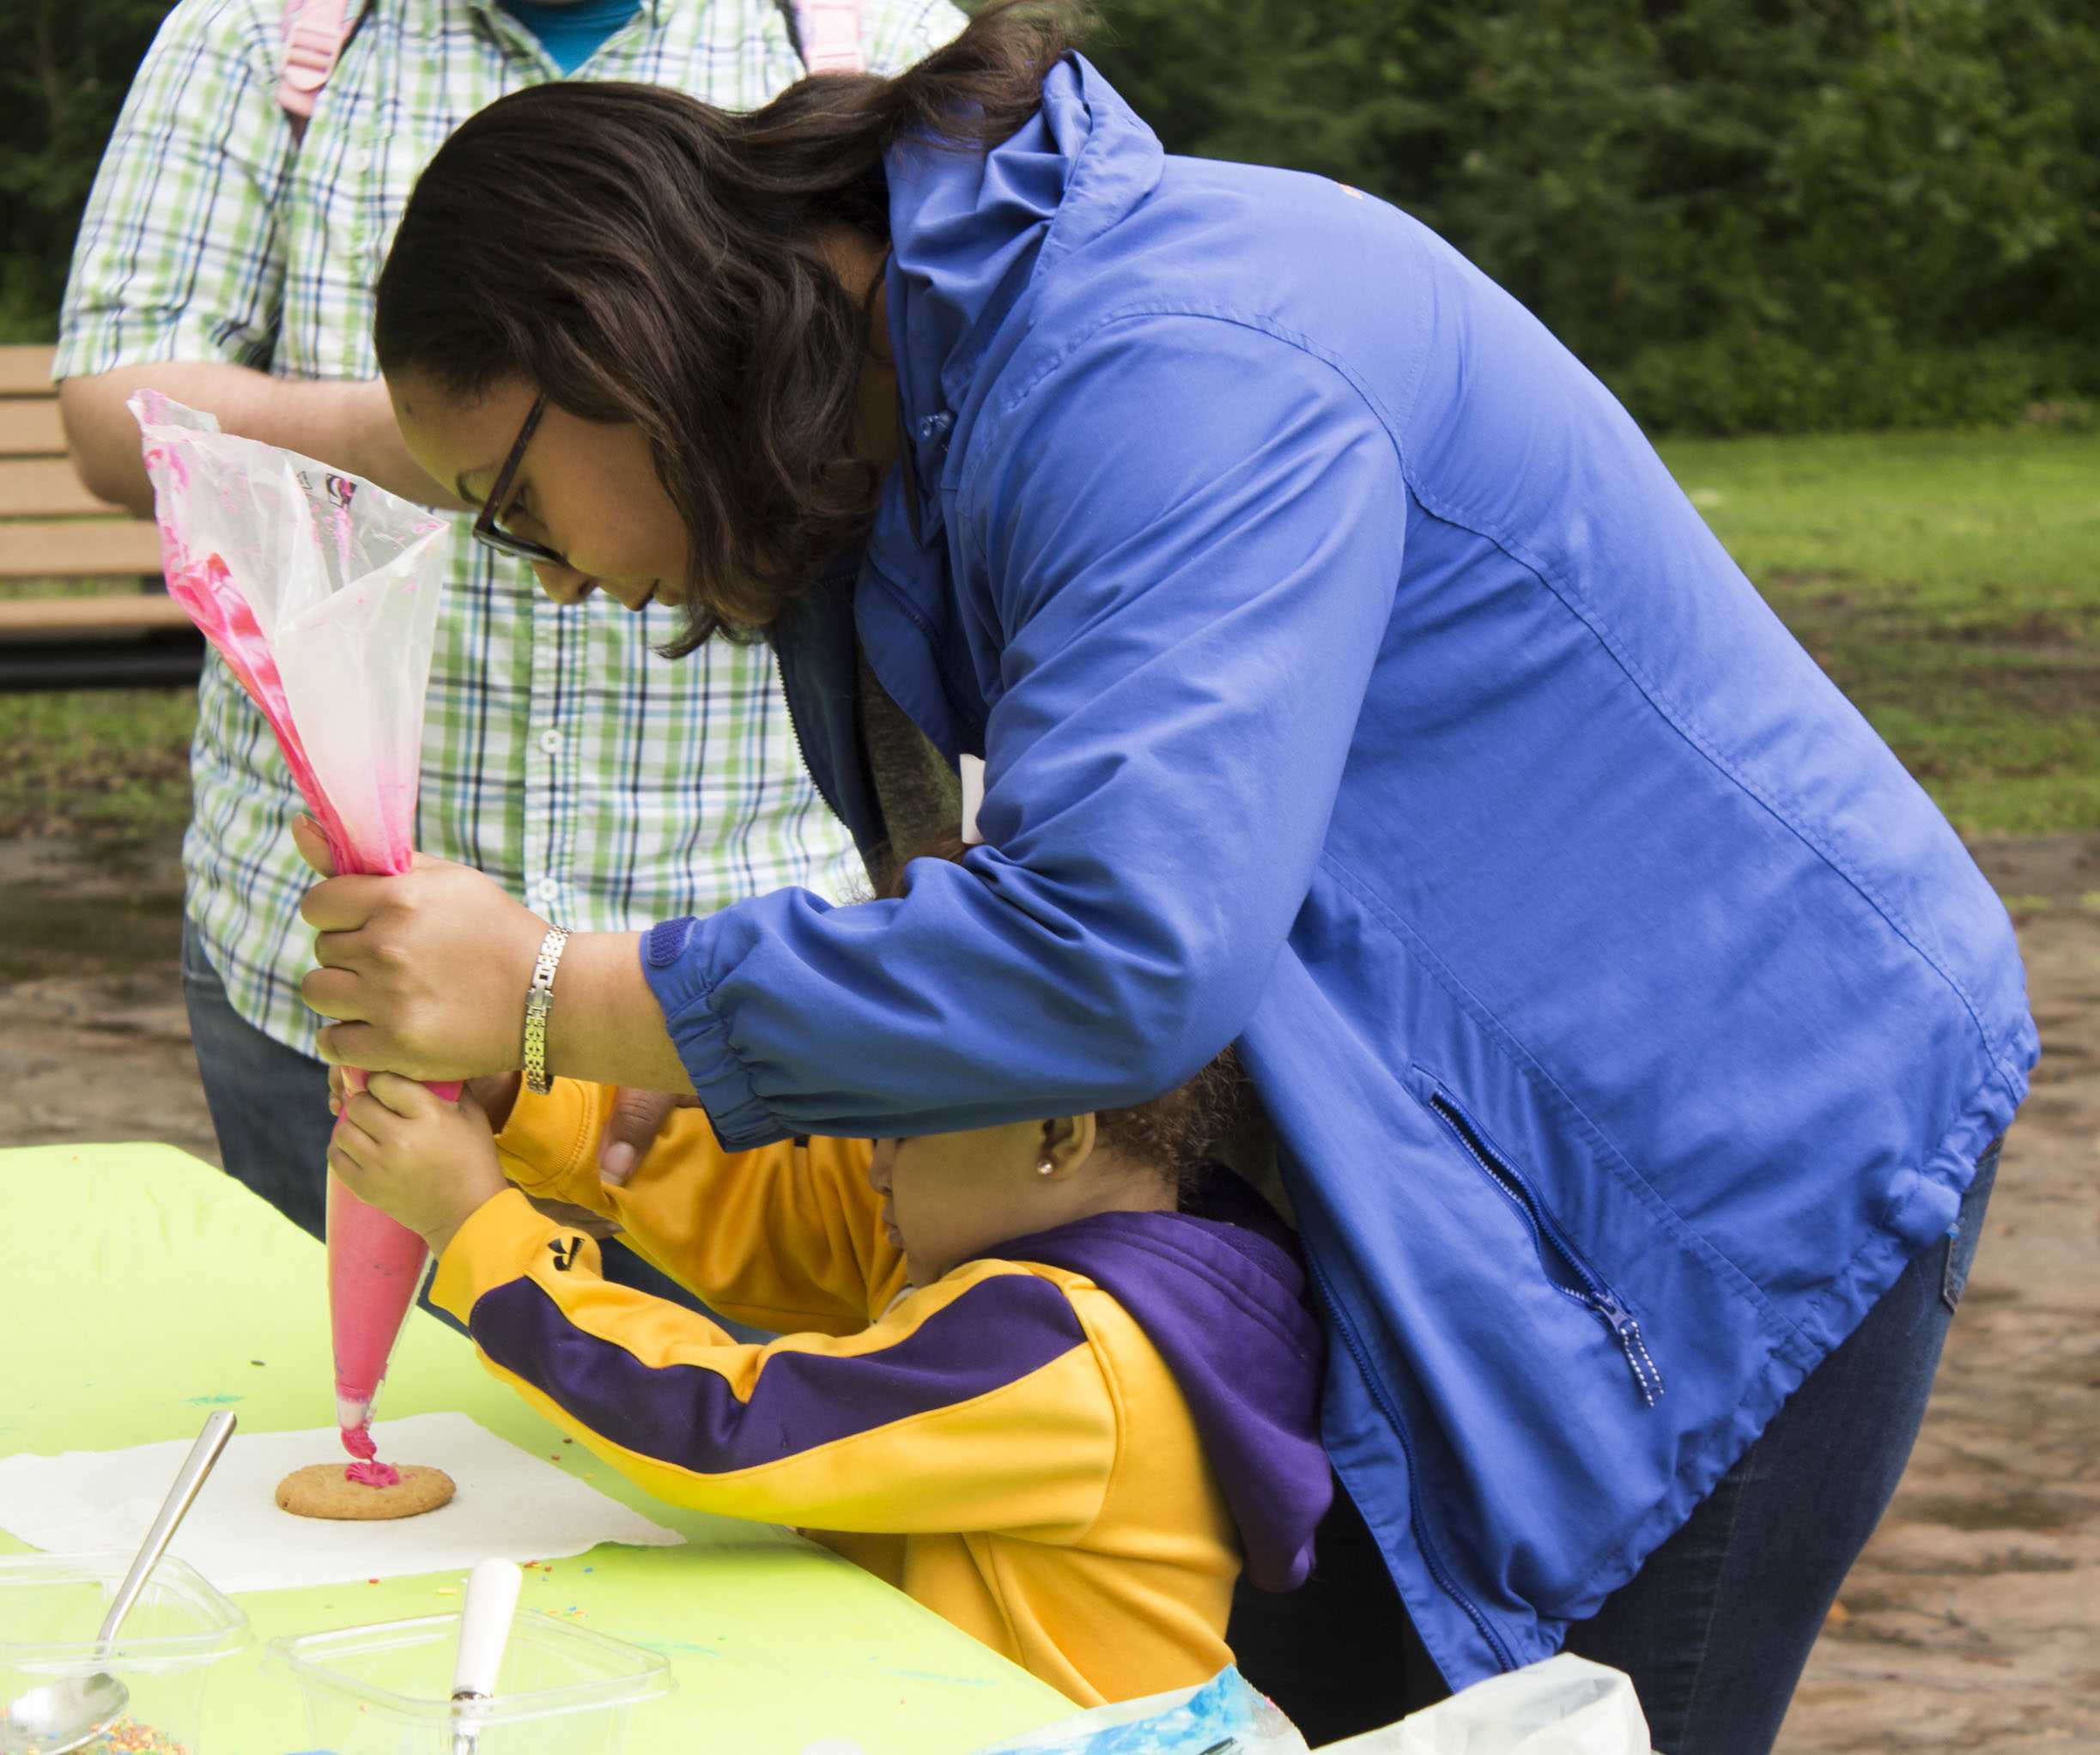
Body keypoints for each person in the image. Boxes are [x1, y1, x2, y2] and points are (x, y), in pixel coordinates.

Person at [300, 4, 2036, 1746]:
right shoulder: (886, 403)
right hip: (1422, 1167)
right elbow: (1002, 924)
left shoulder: (1163, 361)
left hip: (1709, 1169)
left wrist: (558, 994)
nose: (549, 579)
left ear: (624, 347)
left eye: (511, 506)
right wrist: (651, 1071)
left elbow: (1114, 956)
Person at [53, 0, 966, 1275]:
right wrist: (460, 444)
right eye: (510, 520)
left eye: (523, 514)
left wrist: (544, 433)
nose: (560, 579)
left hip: (736, 944)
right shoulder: (261, 31)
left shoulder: (875, 33)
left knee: (723, 1429)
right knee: (361, 1432)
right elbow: (112, 413)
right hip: (331, 966)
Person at [319, 865, 1328, 1707]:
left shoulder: (1076, 1357)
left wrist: (474, 1225)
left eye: (893, 1128)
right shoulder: (1054, 1212)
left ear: (1056, 1134)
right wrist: (521, 1106)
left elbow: (721, 1423)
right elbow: (784, 1217)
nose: (872, 1162)